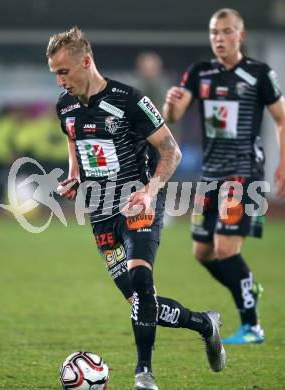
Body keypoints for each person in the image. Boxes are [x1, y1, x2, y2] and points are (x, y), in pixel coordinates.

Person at [46, 26, 225, 390]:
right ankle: (205, 324)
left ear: (86, 61)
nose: (60, 81)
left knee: (143, 282)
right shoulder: (64, 107)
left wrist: (149, 190)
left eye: (64, 72)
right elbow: (74, 138)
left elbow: (171, 151)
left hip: (138, 201)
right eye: (55, 74)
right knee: (141, 304)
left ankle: (144, 374)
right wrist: (75, 176)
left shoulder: (129, 100)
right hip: (101, 213)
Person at [163, 8, 285, 344]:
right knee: (202, 252)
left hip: (243, 174)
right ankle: (245, 284)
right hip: (211, 175)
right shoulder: (200, 73)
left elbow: (281, 119)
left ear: (241, 36)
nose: (219, 38)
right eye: (215, 32)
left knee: (226, 248)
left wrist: (283, 163)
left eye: (227, 32)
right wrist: (171, 104)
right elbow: (174, 113)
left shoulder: (259, 74)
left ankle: (253, 326)